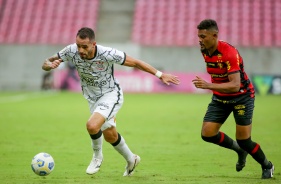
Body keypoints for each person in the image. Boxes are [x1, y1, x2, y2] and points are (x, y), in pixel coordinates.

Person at [41, 27, 180, 176]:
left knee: (92, 125)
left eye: (84, 47)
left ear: (93, 44)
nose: (80, 50)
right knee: (110, 135)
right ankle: (131, 159)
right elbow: (46, 62)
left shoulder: (107, 53)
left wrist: (160, 75)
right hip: (91, 98)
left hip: (111, 94)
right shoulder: (71, 50)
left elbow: (136, 63)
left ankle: (97, 157)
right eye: (78, 46)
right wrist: (48, 65)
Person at [192, 19, 274, 179]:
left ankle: (267, 165)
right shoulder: (205, 49)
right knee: (207, 134)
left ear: (214, 35)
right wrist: (213, 87)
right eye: (198, 36)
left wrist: (208, 86)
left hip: (241, 97)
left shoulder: (229, 53)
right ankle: (238, 150)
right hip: (220, 98)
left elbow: (235, 85)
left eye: (203, 36)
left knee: (244, 140)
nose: (199, 40)